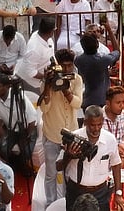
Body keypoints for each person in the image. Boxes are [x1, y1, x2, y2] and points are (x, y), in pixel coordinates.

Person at [58, 105, 124, 211]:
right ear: (85, 122)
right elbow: (57, 166)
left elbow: (116, 164)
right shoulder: (73, 138)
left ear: (103, 121)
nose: (96, 129)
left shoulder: (110, 139)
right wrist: (69, 155)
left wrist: (118, 193)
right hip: (76, 192)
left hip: (100, 193)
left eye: (99, 125)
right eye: (92, 125)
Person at [40, 47, 85, 202]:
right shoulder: (48, 81)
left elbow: (78, 104)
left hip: (71, 135)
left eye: (69, 65)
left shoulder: (76, 79)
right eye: (63, 66)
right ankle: (51, 204)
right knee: (51, 173)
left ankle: (68, 202)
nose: (66, 69)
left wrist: (66, 90)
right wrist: (48, 85)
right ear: (56, 65)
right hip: (52, 135)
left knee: (69, 172)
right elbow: (44, 108)